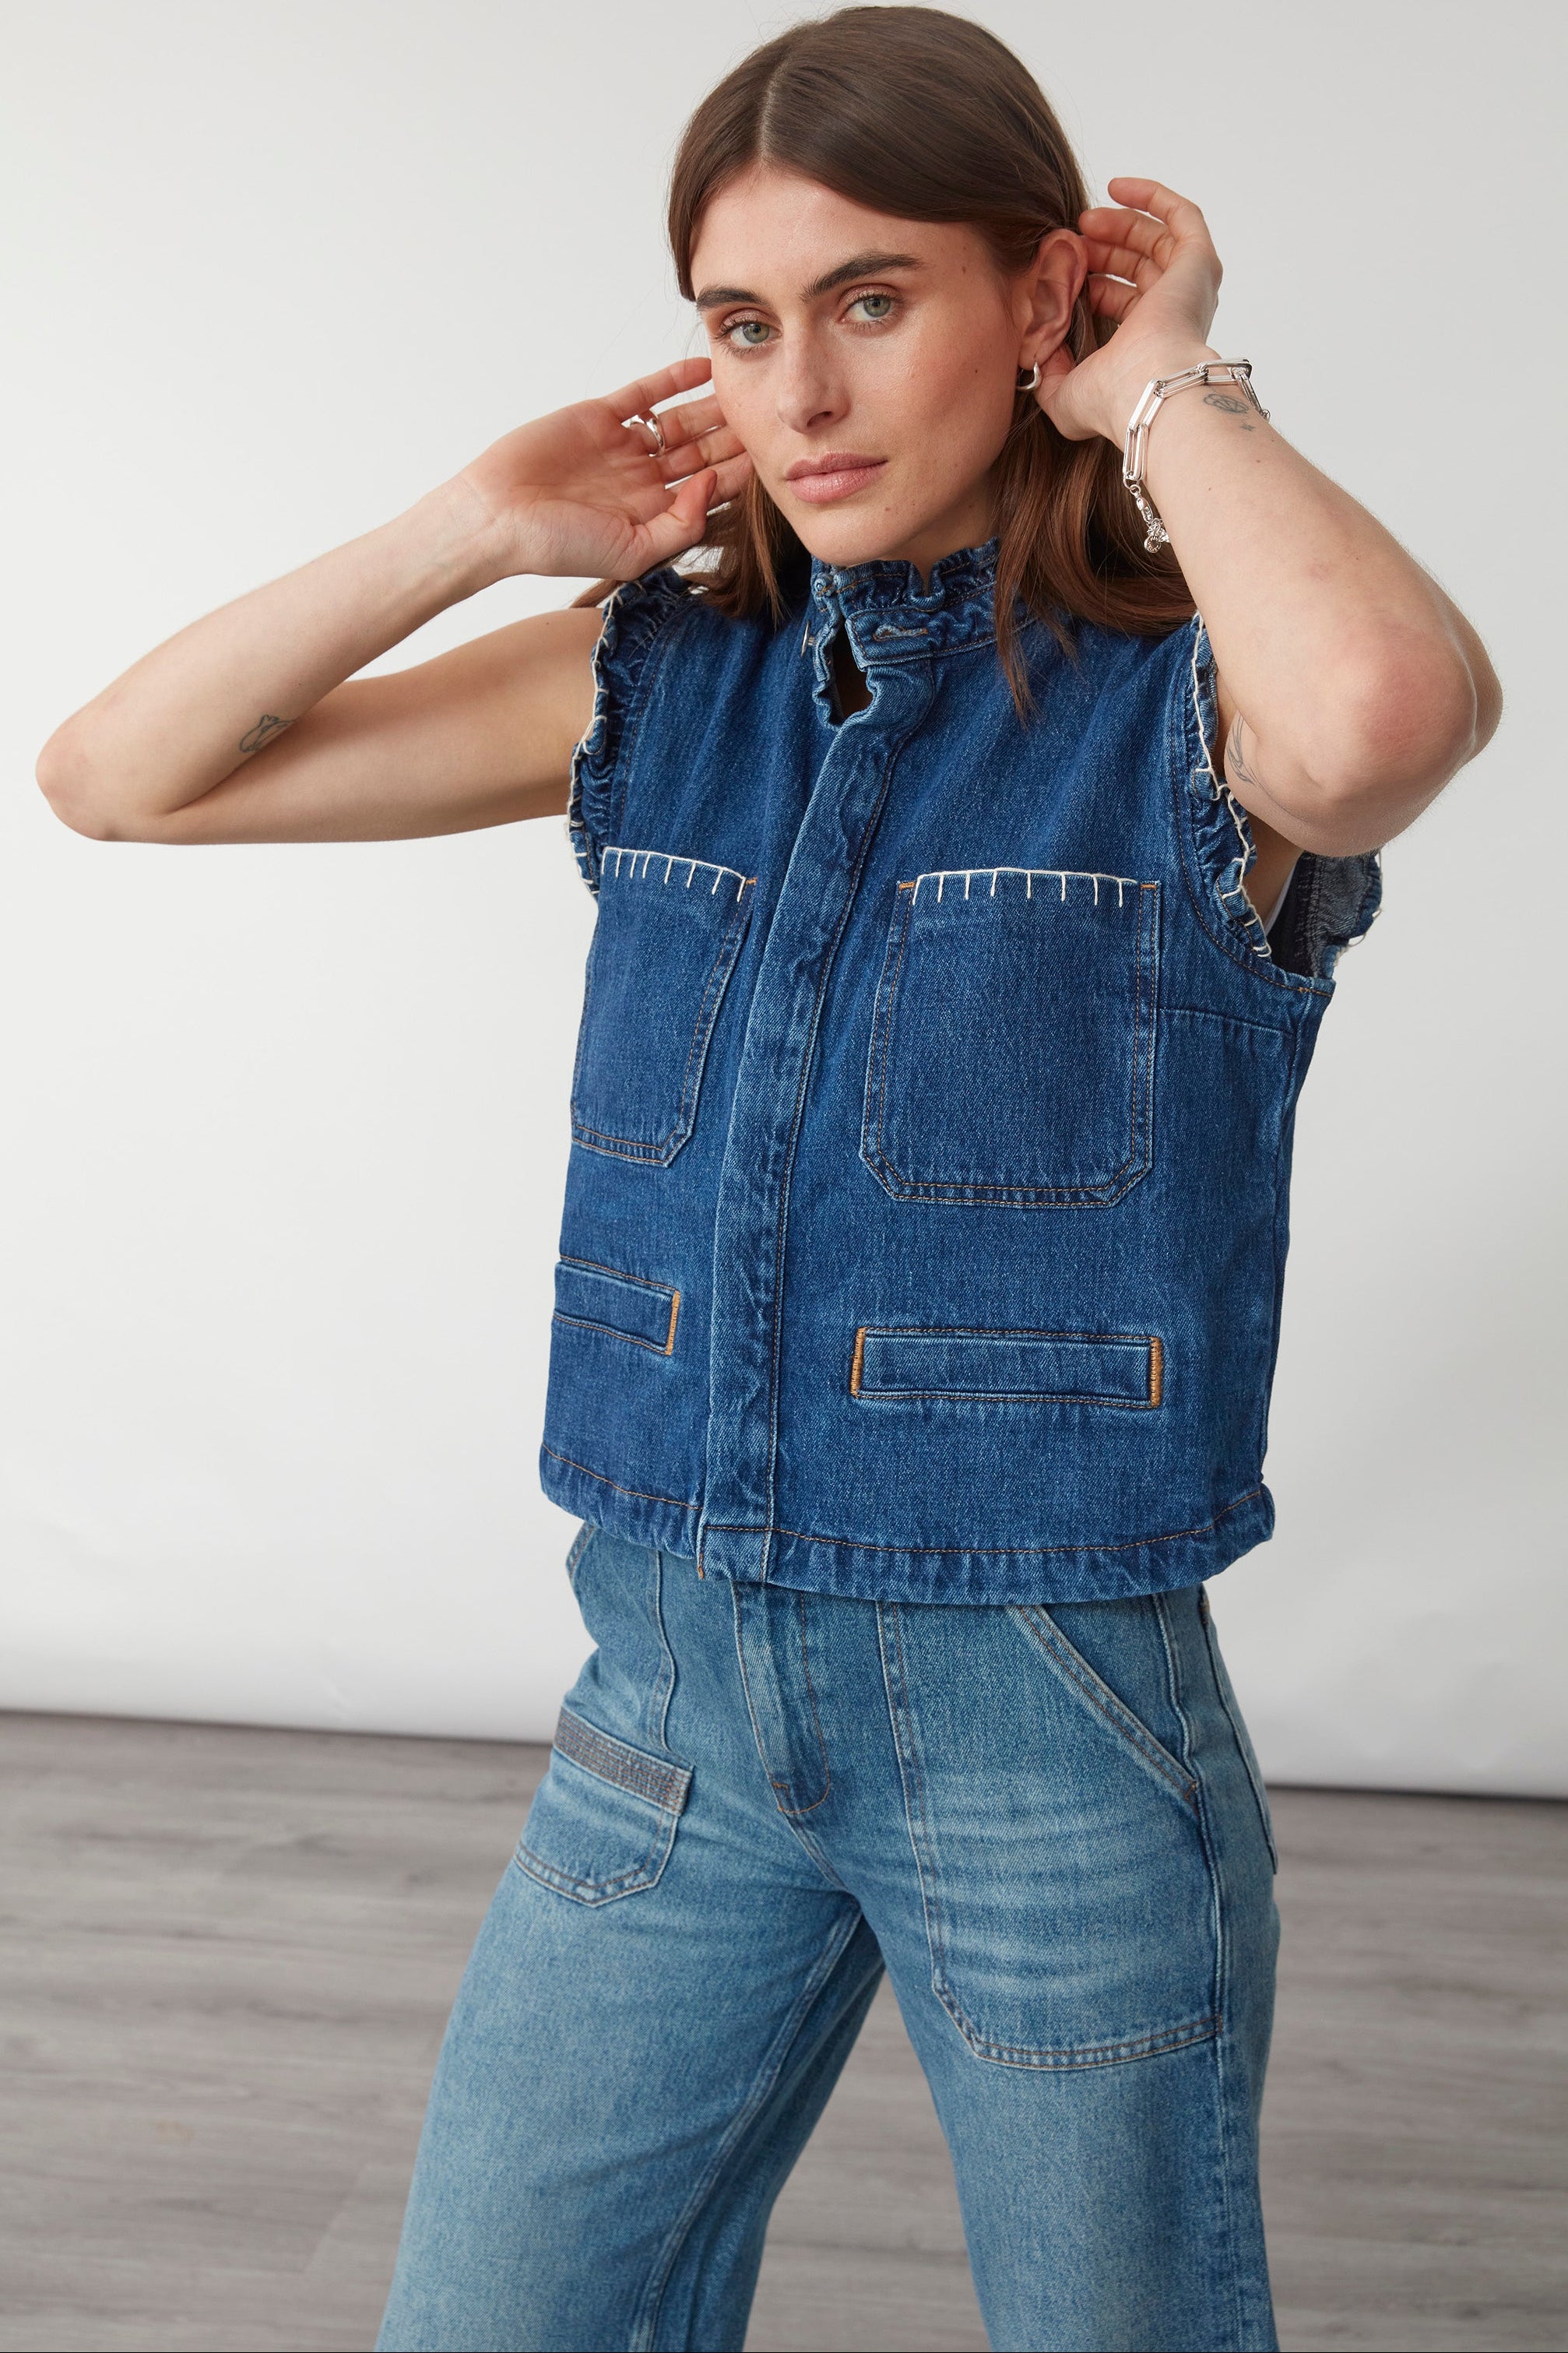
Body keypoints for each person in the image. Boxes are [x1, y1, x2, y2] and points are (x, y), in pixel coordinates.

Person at [38, 9, 1500, 2348]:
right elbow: (122, 778)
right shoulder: (664, 678)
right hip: (671, 1703)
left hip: (1046, 1729)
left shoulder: (1182, 707)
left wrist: (1161, 384)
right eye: (741, 324)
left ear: (1041, 297)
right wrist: (470, 527)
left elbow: (1388, 720)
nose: (800, 392)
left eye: (874, 301)